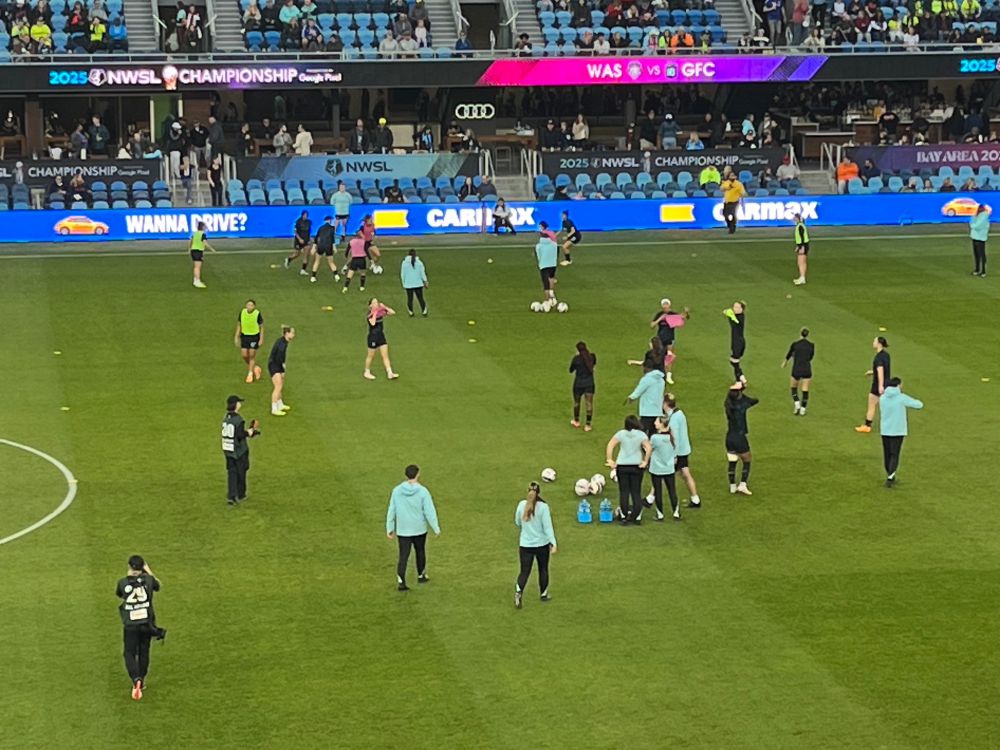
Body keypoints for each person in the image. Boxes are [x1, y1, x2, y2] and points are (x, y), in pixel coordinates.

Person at [116, 555, 167, 701]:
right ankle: (142, 681)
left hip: (131, 624)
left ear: (130, 566)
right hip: (147, 623)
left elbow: (120, 594)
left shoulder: (122, 582)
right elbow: (158, 585)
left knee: (129, 653)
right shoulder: (149, 581)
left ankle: (135, 679)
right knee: (144, 651)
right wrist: (148, 572)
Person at [386, 464, 440, 591]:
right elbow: (429, 511)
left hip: (403, 529)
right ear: (418, 474)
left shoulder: (397, 491)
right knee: (420, 551)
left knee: (403, 555)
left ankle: (401, 581)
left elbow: (391, 510)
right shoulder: (423, 491)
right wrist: (435, 527)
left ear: (406, 475)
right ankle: (421, 575)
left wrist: (390, 528)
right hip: (419, 528)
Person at [514, 481, 557, 608]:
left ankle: (518, 592)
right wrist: (553, 543)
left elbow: (518, 522)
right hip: (541, 545)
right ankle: (543, 593)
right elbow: (547, 527)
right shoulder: (543, 507)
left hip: (525, 545)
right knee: (543, 569)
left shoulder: (522, 505)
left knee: (524, 571)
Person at [605, 415, 651, 525]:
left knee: (624, 492)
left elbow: (610, 445)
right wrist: (645, 461)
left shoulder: (621, 433)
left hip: (622, 466)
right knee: (636, 492)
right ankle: (636, 516)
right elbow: (648, 448)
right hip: (636, 466)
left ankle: (624, 516)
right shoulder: (641, 435)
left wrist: (610, 460)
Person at [878, 377, 923, 487]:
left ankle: (890, 475)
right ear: (898, 385)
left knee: (887, 454)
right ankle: (890, 477)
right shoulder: (901, 398)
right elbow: (919, 404)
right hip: (897, 430)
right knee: (895, 454)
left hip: (885, 430)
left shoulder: (883, 398)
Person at [664, 393, 700, 508]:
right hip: (684, 450)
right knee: (685, 473)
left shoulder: (674, 419)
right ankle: (695, 499)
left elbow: (675, 438)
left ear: (666, 404)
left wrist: (674, 455)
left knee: (661, 473)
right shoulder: (679, 413)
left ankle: (650, 498)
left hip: (678, 452)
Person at [222, 394, 260, 502]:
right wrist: (250, 432)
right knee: (241, 472)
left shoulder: (226, 418)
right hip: (239, 451)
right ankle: (241, 494)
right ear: (236, 405)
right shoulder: (238, 419)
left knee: (231, 473)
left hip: (228, 450)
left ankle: (231, 495)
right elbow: (239, 435)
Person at [724, 382, 757, 496]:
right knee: (747, 460)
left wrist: (739, 391)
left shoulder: (728, 404)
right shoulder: (741, 405)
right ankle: (742, 485)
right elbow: (754, 400)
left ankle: (732, 485)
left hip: (729, 437)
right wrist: (743, 390)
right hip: (739, 437)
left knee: (732, 461)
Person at [646, 417, 680, 521]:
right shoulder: (672, 437)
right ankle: (676, 512)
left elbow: (648, 449)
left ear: (661, 424)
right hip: (669, 468)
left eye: (657, 421)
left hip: (656, 469)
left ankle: (660, 514)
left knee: (658, 491)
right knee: (672, 490)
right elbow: (675, 453)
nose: (654, 423)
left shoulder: (655, 438)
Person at [649, 297, 689, 385]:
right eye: (664, 304)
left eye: (666, 304)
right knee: (659, 356)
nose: (665, 306)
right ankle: (659, 373)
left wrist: (686, 312)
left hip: (670, 338)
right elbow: (652, 325)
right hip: (660, 338)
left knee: (669, 356)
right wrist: (660, 319)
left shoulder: (672, 314)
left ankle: (668, 375)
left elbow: (682, 319)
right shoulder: (659, 314)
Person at [856, 336, 890, 433]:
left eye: (874, 341)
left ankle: (867, 426)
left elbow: (880, 370)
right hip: (887, 384)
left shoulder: (878, 358)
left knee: (871, 405)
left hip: (878, 385)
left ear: (879, 343)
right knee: (885, 406)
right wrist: (872, 372)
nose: (873, 342)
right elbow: (884, 369)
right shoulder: (886, 355)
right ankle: (889, 424)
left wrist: (880, 385)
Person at [626, 362, 666, 435]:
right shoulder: (661, 380)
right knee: (653, 433)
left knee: (641, 432)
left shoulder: (646, 379)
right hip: (657, 410)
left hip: (647, 411)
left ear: (647, 368)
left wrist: (631, 397)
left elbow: (639, 390)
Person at [364, 298, 399, 381]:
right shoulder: (369, 314)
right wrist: (375, 313)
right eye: (374, 303)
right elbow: (372, 323)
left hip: (381, 336)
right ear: (370, 305)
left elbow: (392, 312)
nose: (376, 304)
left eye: (377, 302)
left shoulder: (381, 312)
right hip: (373, 337)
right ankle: (367, 372)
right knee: (370, 356)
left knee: (385, 355)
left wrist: (385, 307)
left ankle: (389, 373)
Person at [782, 327, 814, 416]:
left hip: (797, 368)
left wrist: (785, 362)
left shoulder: (795, 344)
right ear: (807, 335)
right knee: (805, 389)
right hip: (807, 369)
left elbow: (789, 353)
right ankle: (803, 409)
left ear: (800, 333)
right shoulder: (811, 345)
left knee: (793, 387)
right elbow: (811, 357)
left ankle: (797, 404)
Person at [234, 299, 265, 384]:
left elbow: (261, 327)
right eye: (248, 305)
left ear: (254, 306)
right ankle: (255, 368)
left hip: (254, 336)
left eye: (251, 305)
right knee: (244, 355)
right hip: (244, 336)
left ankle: (250, 374)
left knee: (251, 355)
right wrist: (236, 336)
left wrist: (261, 339)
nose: (249, 307)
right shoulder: (242, 312)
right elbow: (239, 325)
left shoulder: (257, 314)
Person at [267, 326, 295, 416]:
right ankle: (274, 408)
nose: (293, 335)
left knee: (280, 384)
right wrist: (282, 368)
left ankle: (280, 404)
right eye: (292, 333)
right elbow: (279, 357)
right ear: (287, 333)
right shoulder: (282, 344)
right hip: (274, 365)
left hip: (276, 364)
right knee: (278, 386)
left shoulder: (283, 341)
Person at [569, 341, 596, 431]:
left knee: (577, 402)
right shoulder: (592, 357)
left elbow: (571, 370)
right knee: (589, 403)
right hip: (589, 383)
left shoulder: (577, 359)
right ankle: (588, 425)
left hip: (578, 383)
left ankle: (576, 421)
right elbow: (593, 365)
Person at [310, 216, 341, 284]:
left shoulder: (320, 228)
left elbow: (316, 238)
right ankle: (336, 275)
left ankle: (313, 277)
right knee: (331, 262)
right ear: (330, 220)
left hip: (321, 245)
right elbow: (332, 239)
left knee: (317, 261)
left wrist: (313, 248)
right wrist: (334, 248)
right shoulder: (332, 228)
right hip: (328, 246)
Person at [723, 301, 747, 384]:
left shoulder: (738, 318)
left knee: (734, 362)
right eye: (734, 307)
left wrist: (728, 314)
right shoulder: (737, 316)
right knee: (733, 361)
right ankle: (740, 378)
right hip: (737, 342)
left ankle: (739, 380)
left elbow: (733, 319)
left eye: (737, 307)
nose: (735, 308)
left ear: (742, 309)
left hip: (738, 344)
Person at [535, 225, 559, 303]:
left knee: (545, 284)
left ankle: (547, 300)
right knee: (551, 278)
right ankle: (552, 293)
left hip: (543, 265)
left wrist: (540, 264)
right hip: (553, 265)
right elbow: (556, 254)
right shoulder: (554, 245)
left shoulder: (538, 246)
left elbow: (539, 256)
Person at [400, 249, 428, 317]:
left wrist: (404, 282)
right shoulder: (419, 263)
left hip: (408, 284)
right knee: (420, 298)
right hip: (418, 283)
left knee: (410, 299)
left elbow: (402, 274)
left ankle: (411, 312)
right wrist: (425, 281)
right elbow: (422, 273)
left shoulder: (404, 263)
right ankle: (424, 311)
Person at [285, 210, 313, 275]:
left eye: (307, 215)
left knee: (306, 255)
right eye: (305, 215)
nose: (306, 216)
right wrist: (299, 239)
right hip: (299, 241)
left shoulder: (309, 222)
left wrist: (310, 238)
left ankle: (303, 270)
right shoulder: (298, 222)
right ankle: (289, 259)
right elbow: (295, 232)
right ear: (302, 215)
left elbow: (309, 231)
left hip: (306, 240)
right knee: (297, 254)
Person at [188, 221, 215, 288]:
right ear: (202, 227)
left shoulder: (195, 233)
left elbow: (190, 241)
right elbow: (205, 242)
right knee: (197, 267)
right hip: (198, 251)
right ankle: (197, 281)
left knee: (196, 266)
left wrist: (189, 248)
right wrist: (211, 249)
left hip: (193, 250)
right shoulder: (203, 234)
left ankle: (196, 279)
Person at [970, 203, 990, 277]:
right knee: (977, 254)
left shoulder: (983, 217)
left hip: (980, 238)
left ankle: (983, 271)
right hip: (976, 237)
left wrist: (972, 225)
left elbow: (977, 225)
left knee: (981, 254)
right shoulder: (977, 216)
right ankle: (977, 269)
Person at [793, 213, 810, 285]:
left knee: (800, 262)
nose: (793, 219)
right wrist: (798, 246)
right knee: (803, 262)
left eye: (795, 217)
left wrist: (801, 246)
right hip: (804, 245)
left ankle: (802, 277)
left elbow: (802, 237)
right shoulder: (801, 225)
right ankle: (802, 277)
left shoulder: (800, 226)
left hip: (803, 246)